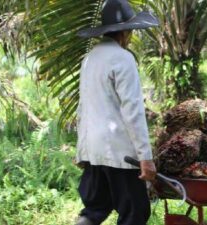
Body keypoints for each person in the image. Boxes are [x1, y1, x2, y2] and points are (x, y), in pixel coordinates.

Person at [74, 1, 159, 224]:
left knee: (95, 210)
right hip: (121, 152)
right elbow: (133, 111)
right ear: (126, 31)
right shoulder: (123, 58)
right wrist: (145, 158)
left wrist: (81, 150)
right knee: (135, 212)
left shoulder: (90, 58)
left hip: (94, 149)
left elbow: (83, 107)